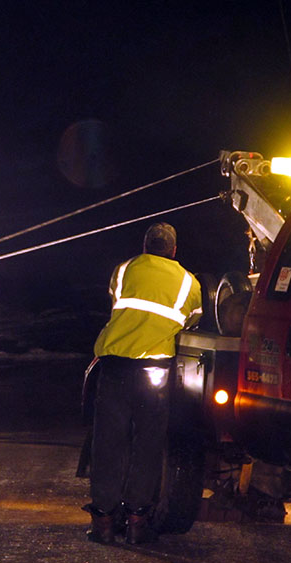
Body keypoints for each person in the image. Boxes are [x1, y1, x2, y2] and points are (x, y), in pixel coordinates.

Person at [84, 222, 202, 544]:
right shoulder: (188, 282)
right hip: (155, 371)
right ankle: (137, 524)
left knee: (108, 444)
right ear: (174, 250)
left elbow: (115, 303)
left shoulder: (123, 271)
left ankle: (104, 524)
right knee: (148, 445)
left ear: (146, 245)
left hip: (116, 366)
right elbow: (192, 318)